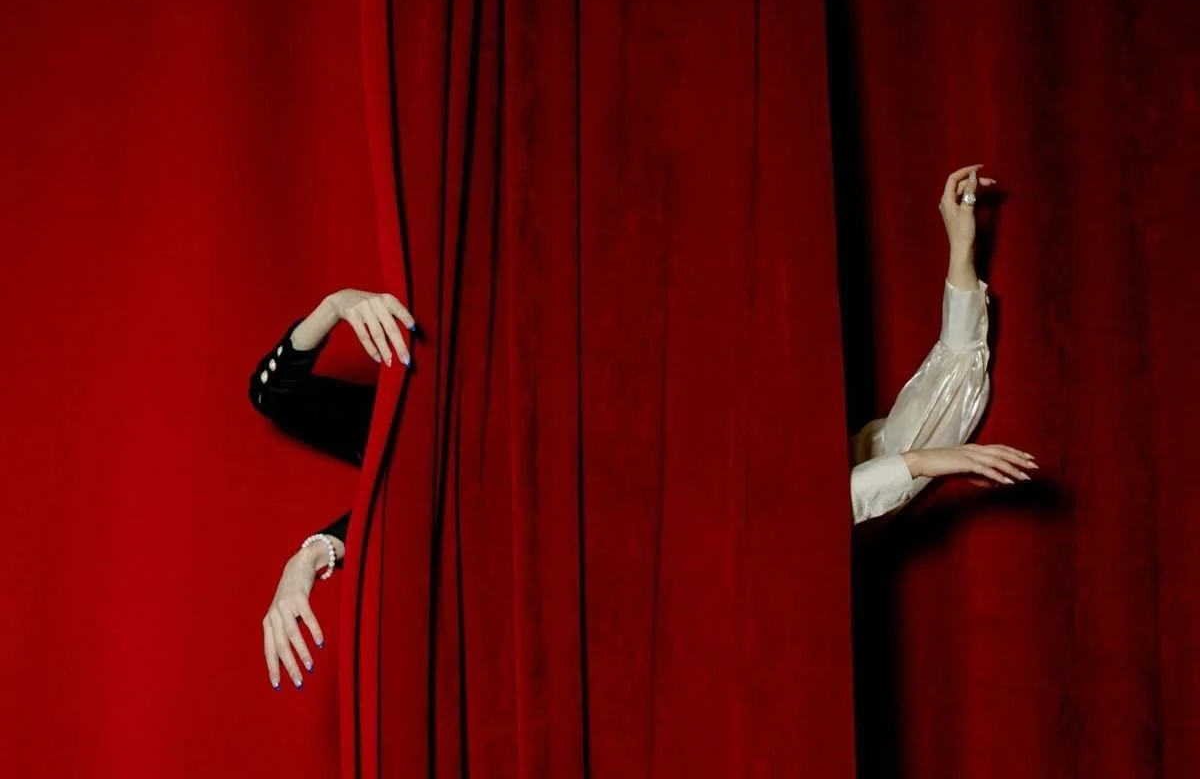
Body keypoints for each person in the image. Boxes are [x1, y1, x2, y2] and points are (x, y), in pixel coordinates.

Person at [251, 164, 1035, 691]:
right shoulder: (443, 442)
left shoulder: (696, 449)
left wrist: (961, 259)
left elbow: (844, 482)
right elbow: (276, 395)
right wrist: (340, 307)